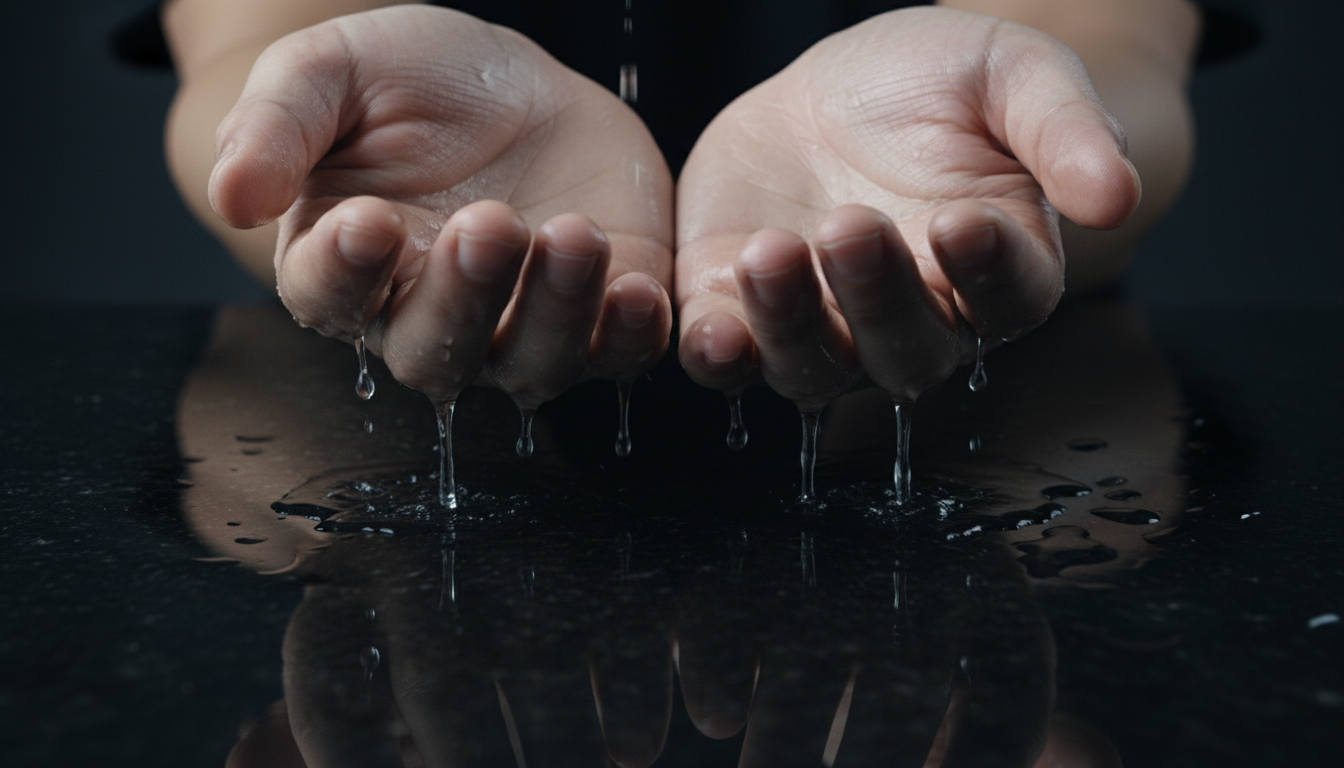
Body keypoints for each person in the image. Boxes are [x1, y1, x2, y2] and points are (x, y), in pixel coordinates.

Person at [161, 0, 1199, 412]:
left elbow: (1112, 51)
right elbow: (249, 53)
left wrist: (1023, 124)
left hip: (1022, 413)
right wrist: (330, 148)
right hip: (348, 416)